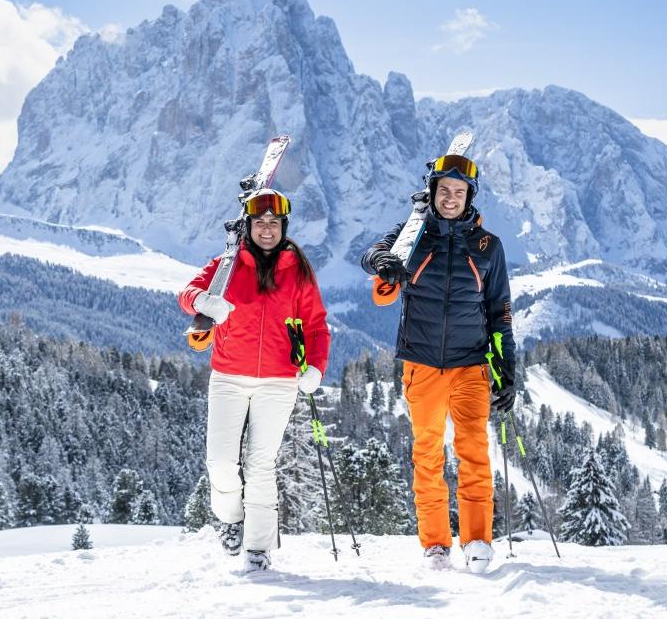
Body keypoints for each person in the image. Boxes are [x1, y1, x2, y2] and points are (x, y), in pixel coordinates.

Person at [360, 154, 516, 573]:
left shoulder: (488, 247)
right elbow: (372, 252)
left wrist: (506, 369)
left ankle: (478, 540)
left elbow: (499, 310)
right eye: (443, 191)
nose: (451, 198)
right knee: (427, 455)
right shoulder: (414, 236)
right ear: (432, 193)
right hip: (422, 363)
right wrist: (383, 263)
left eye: (459, 192)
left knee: (473, 452)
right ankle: (435, 544)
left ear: (470, 197)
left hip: (470, 366)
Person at [178, 189, 330, 572]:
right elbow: (187, 292)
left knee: (260, 464)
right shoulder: (227, 264)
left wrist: (315, 367)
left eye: (274, 223)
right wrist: (202, 302)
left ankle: (258, 548)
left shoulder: (298, 270)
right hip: (228, 375)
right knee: (221, 463)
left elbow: (316, 326)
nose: (267, 229)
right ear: (248, 225)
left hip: (279, 381)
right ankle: (231, 519)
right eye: (260, 222)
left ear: (284, 227)